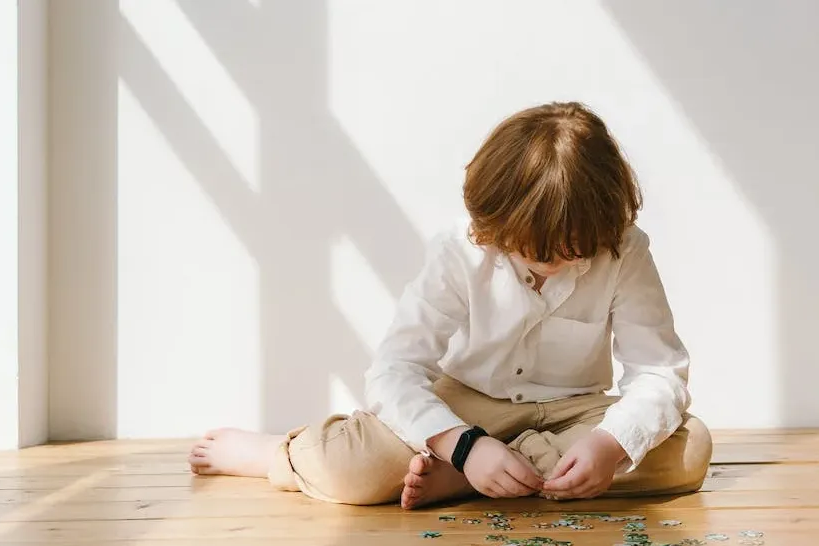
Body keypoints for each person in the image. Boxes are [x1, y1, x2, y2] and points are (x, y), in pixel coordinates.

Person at [188, 101, 712, 509]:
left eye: (577, 250)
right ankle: (274, 454)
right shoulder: (459, 252)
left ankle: (476, 480)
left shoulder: (624, 247)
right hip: (468, 402)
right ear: (499, 224)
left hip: (574, 410)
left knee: (689, 451)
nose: (559, 262)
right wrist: (463, 444)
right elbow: (394, 372)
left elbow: (660, 373)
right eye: (539, 250)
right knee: (352, 468)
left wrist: (609, 445)